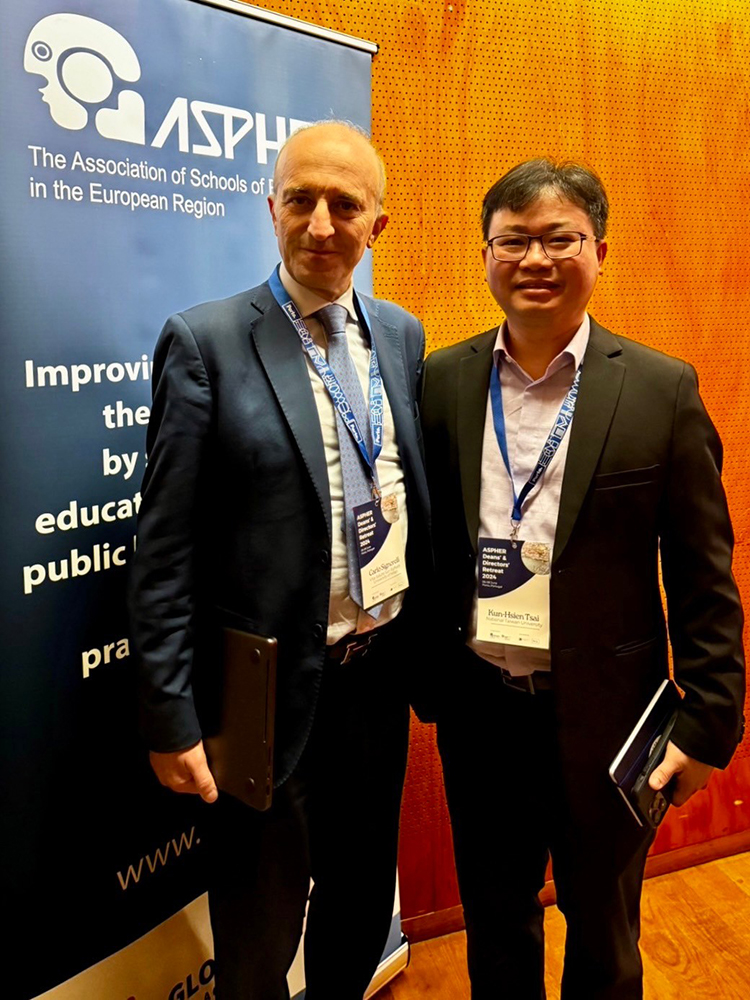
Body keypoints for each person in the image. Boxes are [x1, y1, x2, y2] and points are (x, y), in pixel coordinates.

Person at [420, 158, 745, 999]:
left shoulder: (662, 389)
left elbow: (705, 574)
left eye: (559, 238)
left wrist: (709, 721)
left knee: (604, 930)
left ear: (599, 251)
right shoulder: (443, 381)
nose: (535, 258)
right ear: (485, 256)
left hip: (610, 718)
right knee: (495, 918)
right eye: (513, 240)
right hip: (482, 712)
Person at [129, 121, 431, 1000]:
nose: (321, 224)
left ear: (379, 223)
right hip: (262, 694)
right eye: (301, 199)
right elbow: (164, 549)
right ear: (271, 208)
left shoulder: (402, 336)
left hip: (377, 684)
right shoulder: (207, 341)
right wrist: (170, 717)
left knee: (359, 902)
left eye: (345, 204)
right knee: (257, 934)